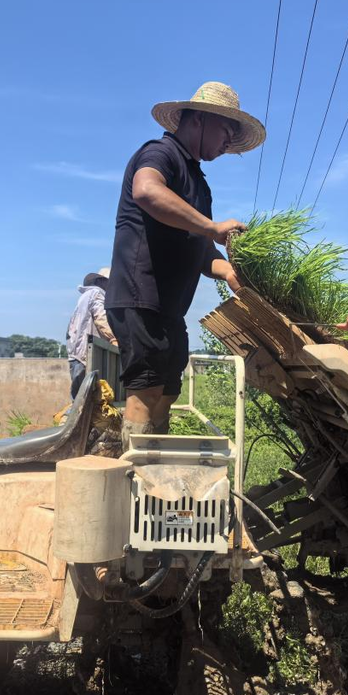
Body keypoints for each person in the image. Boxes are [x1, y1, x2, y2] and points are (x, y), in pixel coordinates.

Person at [105, 81, 266, 447]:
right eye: (227, 130)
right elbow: (146, 192)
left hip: (169, 306)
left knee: (167, 392)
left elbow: (199, 245)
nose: (229, 143)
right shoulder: (161, 154)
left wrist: (226, 270)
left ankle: (153, 465)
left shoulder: (198, 182)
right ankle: (137, 483)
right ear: (199, 119)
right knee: (145, 392)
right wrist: (212, 226)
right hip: (139, 295)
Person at [66, 267, 117, 398]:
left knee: (80, 399)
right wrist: (113, 339)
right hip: (85, 354)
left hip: (77, 354)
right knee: (84, 400)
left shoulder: (86, 296)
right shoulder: (97, 294)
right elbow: (101, 317)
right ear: (103, 282)